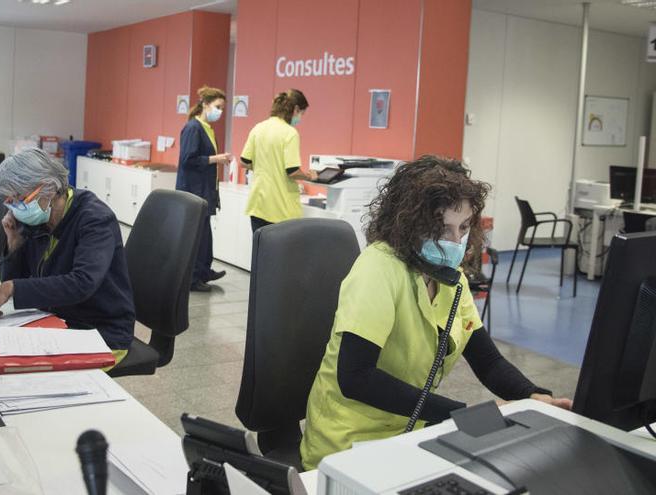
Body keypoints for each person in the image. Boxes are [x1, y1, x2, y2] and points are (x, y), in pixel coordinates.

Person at [299, 156, 572, 471]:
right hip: (347, 443)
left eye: (464, 227)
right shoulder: (378, 268)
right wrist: (466, 414)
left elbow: (489, 361)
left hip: (409, 434)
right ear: (409, 223)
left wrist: (533, 396)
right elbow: (356, 377)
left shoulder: (448, 278)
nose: (456, 242)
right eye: (443, 229)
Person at [0, 148, 135, 365]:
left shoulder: (94, 219)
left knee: (26, 373)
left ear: (49, 188)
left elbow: (82, 283)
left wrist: (11, 288)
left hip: (99, 331)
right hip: (56, 319)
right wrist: (14, 243)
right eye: (11, 201)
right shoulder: (37, 220)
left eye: (20, 198)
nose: (16, 207)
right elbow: (14, 279)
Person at [177, 86, 232, 292]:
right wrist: (215, 159)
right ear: (205, 104)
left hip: (206, 189)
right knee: (195, 236)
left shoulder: (207, 128)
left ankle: (204, 270)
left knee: (205, 234)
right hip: (194, 190)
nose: (219, 111)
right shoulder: (193, 128)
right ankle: (192, 278)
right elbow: (187, 160)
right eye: (217, 107)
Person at [240, 89, 317, 233]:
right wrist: (309, 176)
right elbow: (292, 172)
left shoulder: (258, 128)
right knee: (280, 254)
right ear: (295, 109)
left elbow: (244, 162)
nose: (300, 118)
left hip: (258, 204)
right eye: (302, 113)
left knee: (260, 251)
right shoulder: (290, 133)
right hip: (281, 209)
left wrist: (265, 166)